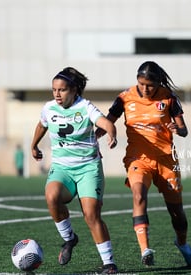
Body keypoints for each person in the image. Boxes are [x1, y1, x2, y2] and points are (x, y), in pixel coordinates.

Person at [96, 61, 191, 267]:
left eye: (149, 85)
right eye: (141, 84)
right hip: (138, 159)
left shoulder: (169, 97)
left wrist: (177, 129)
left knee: (176, 211)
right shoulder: (125, 97)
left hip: (166, 160)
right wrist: (93, 137)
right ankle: (145, 249)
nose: (145, 89)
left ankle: (182, 243)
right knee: (138, 194)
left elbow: (183, 129)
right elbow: (108, 121)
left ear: (157, 83)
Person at [31, 67, 118, 274]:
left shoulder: (85, 107)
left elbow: (105, 122)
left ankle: (109, 264)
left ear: (74, 90)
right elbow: (42, 124)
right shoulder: (49, 108)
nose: (57, 94)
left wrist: (111, 133)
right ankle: (70, 239)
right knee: (52, 196)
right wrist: (34, 145)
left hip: (88, 167)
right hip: (62, 168)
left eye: (62, 90)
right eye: (54, 90)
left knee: (91, 215)